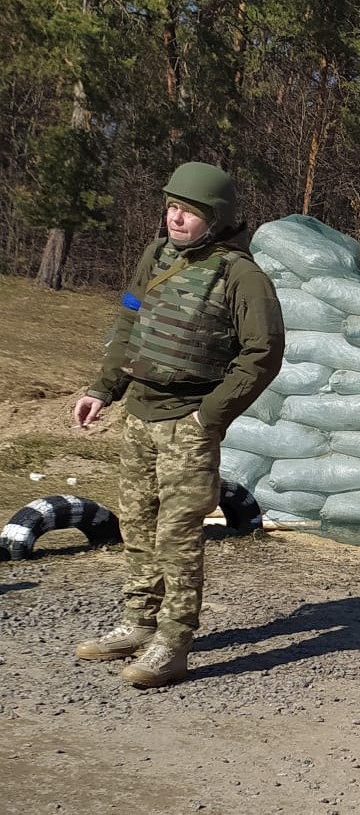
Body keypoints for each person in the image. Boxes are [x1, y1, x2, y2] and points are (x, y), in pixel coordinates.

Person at [72, 162, 285, 688]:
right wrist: (103, 388)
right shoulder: (155, 255)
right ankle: (140, 622)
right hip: (139, 414)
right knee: (137, 524)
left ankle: (173, 642)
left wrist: (208, 416)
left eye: (189, 211)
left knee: (178, 535)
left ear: (217, 218)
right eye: (171, 207)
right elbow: (130, 317)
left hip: (187, 425)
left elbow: (262, 354)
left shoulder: (242, 277)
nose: (175, 218)